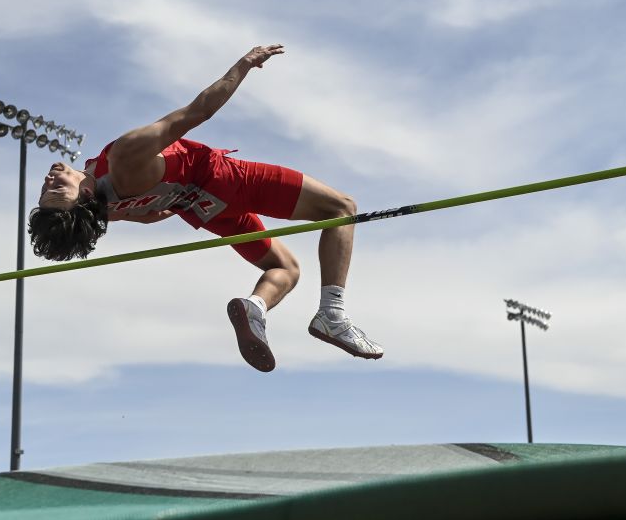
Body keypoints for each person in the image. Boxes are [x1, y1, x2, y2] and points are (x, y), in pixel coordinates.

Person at [29, 44, 383, 372]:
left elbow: (150, 216)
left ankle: (255, 308)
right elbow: (199, 111)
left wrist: (166, 204)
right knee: (341, 207)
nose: (49, 180)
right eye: (58, 188)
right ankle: (332, 314)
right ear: (85, 196)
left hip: (206, 211)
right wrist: (244, 65)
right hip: (226, 181)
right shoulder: (124, 158)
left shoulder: (104, 209)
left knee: (285, 268)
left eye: (46, 188)